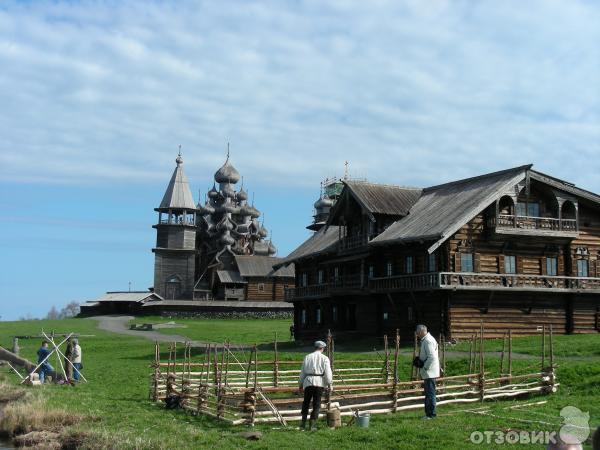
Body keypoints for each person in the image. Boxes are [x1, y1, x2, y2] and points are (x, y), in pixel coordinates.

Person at [298, 340, 333, 431]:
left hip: (308, 382)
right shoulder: (325, 358)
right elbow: (328, 373)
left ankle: (303, 424)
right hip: (319, 383)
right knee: (316, 404)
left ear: (315, 347)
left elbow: (303, 372)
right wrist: (329, 383)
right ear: (322, 348)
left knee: (306, 402)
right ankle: (312, 425)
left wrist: (301, 384)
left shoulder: (307, 357)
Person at [415, 324, 440, 419]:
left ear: (421, 331)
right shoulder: (427, 339)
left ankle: (431, 415)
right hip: (429, 372)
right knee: (429, 393)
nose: (417, 334)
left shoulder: (428, 341)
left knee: (430, 394)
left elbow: (432, 357)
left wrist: (425, 367)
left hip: (429, 372)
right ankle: (429, 414)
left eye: (417, 332)